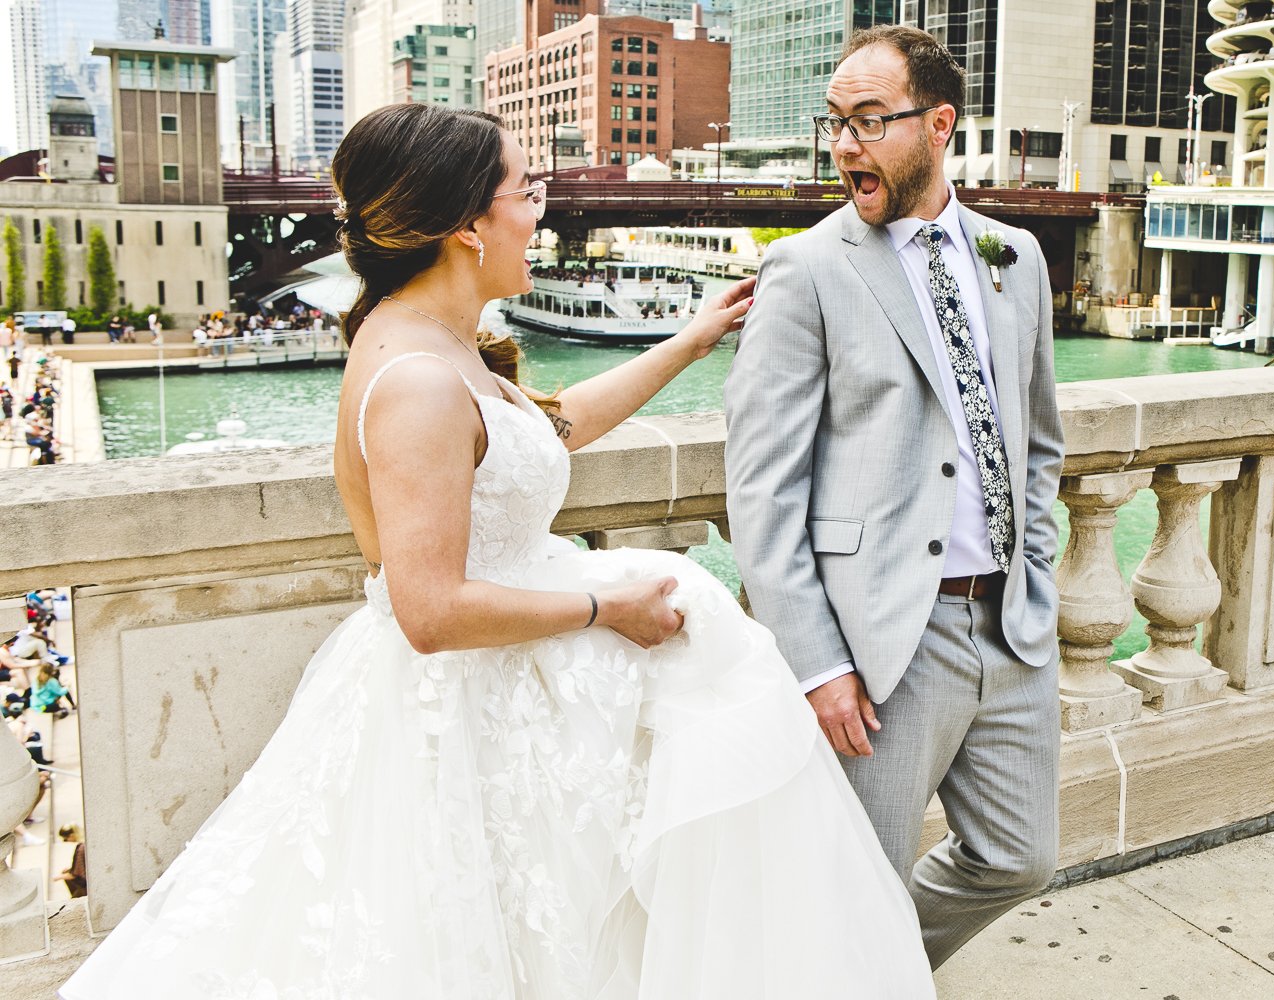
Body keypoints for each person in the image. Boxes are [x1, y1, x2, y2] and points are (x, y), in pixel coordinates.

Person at [62, 103, 935, 1000]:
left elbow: (549, 429)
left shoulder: (433, 344)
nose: (543, 210)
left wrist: (690, 339)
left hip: (504, 693)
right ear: (468, 226)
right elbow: (430, 609)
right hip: (464, 711)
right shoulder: (418, 383)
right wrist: (610, 609)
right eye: (528, 190)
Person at [724, 25, 1064, 971]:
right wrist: (818, 661)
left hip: (1011, 625)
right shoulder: (808, 269)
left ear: (939, 124)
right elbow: (762, 487)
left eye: (869, 122)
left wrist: (1032, 569)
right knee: (855, 873)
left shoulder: (1017, 257)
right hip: (881, 649)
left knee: (1020, 857)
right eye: (834, 123)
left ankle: (869, 969)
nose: (845, 145)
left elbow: (1035, 442)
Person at [56, 824, 86, 899]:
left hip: (86, 885)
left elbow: (74, 875)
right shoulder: (84, 843)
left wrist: (57, 877)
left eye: (65, 839)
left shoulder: (81, 848)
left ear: (72, 836)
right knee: (66, 873)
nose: (65, 841)